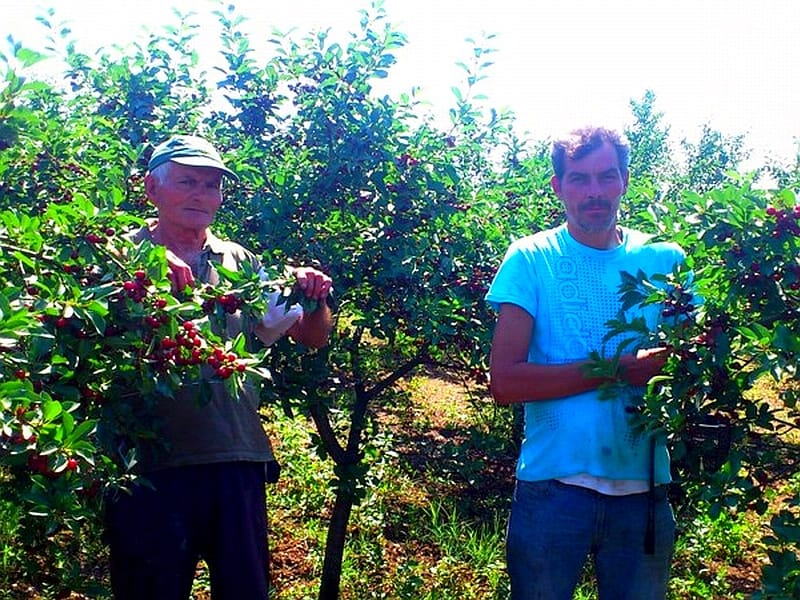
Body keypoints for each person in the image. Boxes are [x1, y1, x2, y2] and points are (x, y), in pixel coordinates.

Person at [103, 134, 333, 599]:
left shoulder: (240, 262)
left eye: (211, 186)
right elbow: (79, 328)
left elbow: (312, 337)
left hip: (235, 457)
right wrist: (140, 273)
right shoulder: (116, 254)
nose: (200, 195)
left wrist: (314, 297)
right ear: (151, 189)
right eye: (187, 181)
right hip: (147, 465)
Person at [485, 126, 687, 600]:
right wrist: (617, 370)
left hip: (644, 491)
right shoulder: (531, 259)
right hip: (553, 489)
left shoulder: (667, 261)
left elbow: (696, 362)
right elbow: (505, 382)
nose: (594, 192)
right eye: (579, 179)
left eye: (606, 177)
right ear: (558, 187)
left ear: (625, 180)